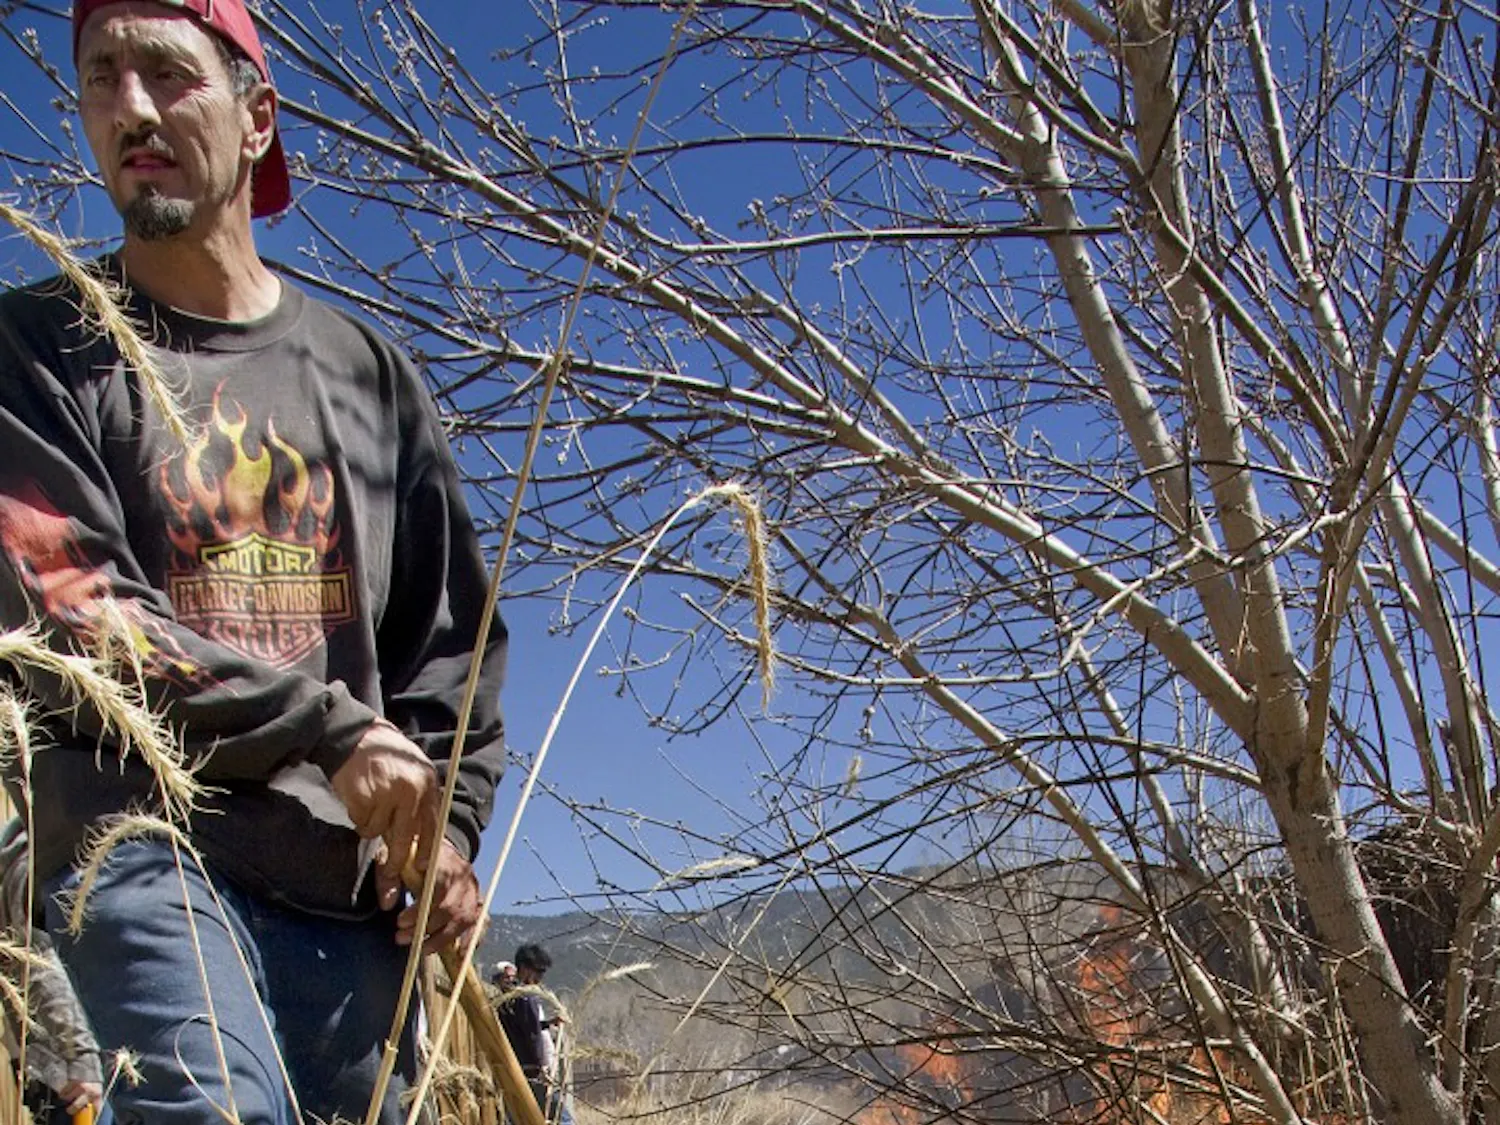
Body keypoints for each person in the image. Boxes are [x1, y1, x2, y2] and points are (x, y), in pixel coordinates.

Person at [0, 1, 507, 1122]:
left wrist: (447, 834)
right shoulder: (35, 349)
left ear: (258, 114)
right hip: (145, 852)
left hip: (343, 888)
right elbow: (75, 612)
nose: (130, 106)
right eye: (101, 76)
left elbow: (446, 653)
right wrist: (333, 731)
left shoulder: (368, 376)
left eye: (169, 74)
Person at [0, 818, 111, 1125]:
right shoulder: (36, 866)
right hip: (74, 1079)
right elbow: (41, 969)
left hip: (65, 1072)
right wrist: (82, 1058)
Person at [497, 944, 572, 1125]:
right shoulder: (524, 996)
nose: (540, 977)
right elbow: (530, 1034)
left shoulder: (509, 997)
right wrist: (540, 1067)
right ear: (524, 968)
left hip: (515, 1069)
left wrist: (547, 1024)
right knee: (562, 1118)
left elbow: (526, 1027)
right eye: (538, 971)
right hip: (530, 1071)